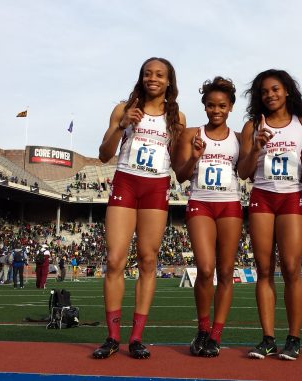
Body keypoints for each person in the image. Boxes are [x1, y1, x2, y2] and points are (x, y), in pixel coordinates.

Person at [93, 57, 185, 360]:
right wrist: (122, 125)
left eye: (159, 74)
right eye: (148, 74)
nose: (153, 78)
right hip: (126, 182)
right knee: (115, 259)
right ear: (141, 78)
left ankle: (135, 337)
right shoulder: (124, 109)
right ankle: (112, 336)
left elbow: (181, 165)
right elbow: (104, 154)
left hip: (156, 187)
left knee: (148, 260)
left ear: (169, 80)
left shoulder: (177, 118)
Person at [239, 69, 302, 361]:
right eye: (264, 91)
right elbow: (243, 172)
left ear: (287, 91)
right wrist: (256, 147)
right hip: (262, 197)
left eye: (275, 89)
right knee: (264, 268)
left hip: (291, 198)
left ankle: (293, 339)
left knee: (292, 268)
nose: (269, 95)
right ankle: (268, 338)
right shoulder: (251, 126)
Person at [172, 77, 242, 357]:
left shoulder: (237, 139)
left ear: (231, 107)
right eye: (211, 105)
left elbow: (247, 170)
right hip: (200, 202)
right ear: (204, 107)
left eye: (222, 106)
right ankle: (202, 329)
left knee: (226, 272)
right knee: (204, 268)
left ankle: (216, 335)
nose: (216, 110)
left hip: (230, 205)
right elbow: (179, 174)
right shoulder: (192, 134)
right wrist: (195, 158)